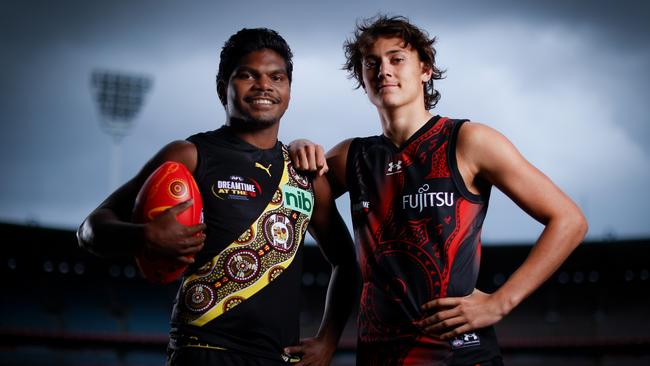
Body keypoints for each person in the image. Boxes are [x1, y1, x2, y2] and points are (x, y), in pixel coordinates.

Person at [289, 15, 588, 365]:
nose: (383, 70)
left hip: (459, 355)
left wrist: (500, 302)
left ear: (425, 70)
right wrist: (298, 146)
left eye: (397, 58)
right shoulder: (350, 157)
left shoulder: (468, 141)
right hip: (378, 356)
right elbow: (311, 211)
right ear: (363, 79)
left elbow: (569, 220)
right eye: (372, 63)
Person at [77, 28, 357, 366]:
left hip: (277, 359)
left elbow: (346, 261)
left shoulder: (304, 175)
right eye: (247, 75)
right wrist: (144, 236)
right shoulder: (190, 155)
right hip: (201, 352)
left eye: (276, 77)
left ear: (288, 90)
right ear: (221, 86)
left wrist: (328, 341)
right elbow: (91, 228)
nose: (263, 85)